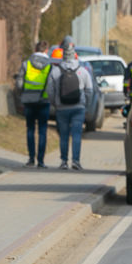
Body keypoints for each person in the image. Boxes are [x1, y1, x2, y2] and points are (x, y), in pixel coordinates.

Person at [46, 36, 93, 170]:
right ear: (74, 55)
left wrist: (55, 102)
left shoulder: (55, 71)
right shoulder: (82, 71)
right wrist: (86, 105)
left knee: (64, 136)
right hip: (78, 108)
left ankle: (64, 162)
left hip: (61, 108)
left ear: (62, 55)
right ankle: (76, 161)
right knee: (77, 135)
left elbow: (49, 90)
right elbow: (89, 90)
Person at [16, 40, 51, 168]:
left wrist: (22, 95)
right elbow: (52, 84)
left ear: (36, 49)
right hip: (44, 101)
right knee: (42, 131)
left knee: (30, 129)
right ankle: (41, 161)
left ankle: (31, 159)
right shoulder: (49, 65)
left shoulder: (26, 64)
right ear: (46, 50)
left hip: (29, 101)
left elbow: (19, 83)